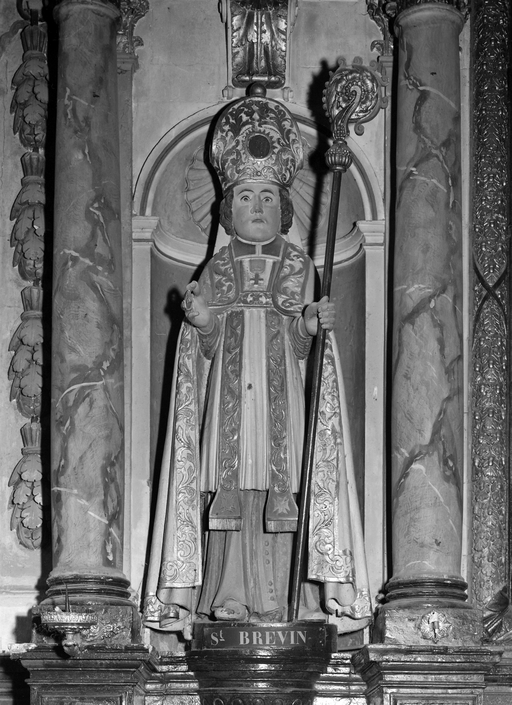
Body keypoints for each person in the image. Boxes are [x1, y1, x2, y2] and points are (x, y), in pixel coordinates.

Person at [143, 87, 371, 640]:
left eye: (268, 197)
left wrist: (310, 325)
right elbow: (203, 347)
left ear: (284, 208)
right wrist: (202, 322)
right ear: (228, 210)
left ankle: (294, 598)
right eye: (247, 197)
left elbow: (304, 347)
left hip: (280, 403)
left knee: (285, 487)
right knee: (230, 493)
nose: (258, 207)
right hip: (229, 404)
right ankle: (228, 595)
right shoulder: (216, 269)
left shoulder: (299, 266)